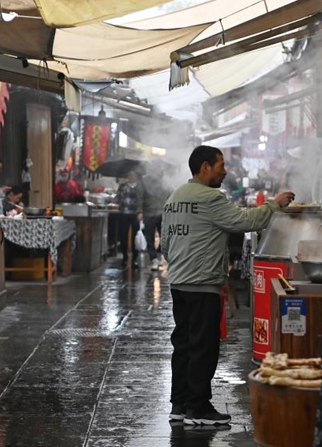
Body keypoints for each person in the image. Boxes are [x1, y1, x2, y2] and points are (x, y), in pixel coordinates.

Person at [161, 145, 295, 426]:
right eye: (221, 165)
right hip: (201, 283)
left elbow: (165, 243)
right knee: (203, 346)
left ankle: (180, 404)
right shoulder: (210, 198)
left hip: (179, 283)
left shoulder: (175, 197)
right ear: (205, 167)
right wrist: (274, 204)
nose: (225, 170)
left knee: (183, 344)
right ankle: (198, 407)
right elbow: (245, 221)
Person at [142, 162, 172, 270]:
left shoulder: (166, 181)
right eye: (157, 167)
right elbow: (141, 196)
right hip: (149, 212)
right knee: (149, 237)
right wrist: (139, 211)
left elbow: (170, 196)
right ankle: (153, 258)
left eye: (160, 167)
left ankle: (161, 256)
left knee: (164, 236)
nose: (159, 169)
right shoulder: (145, 181)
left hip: (163, 212)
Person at [115, 169, 144, 267]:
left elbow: (142, 200)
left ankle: (134, 259)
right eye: (130, 175)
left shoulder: (140, 187)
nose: (132, 177)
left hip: (135, 214)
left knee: (135, 237)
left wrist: (141, 212)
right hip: (124, 213)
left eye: (133, 175)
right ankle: (125, 258)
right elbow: (117, 198)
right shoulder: (122, 186)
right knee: (123, 236)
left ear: (136, 176)